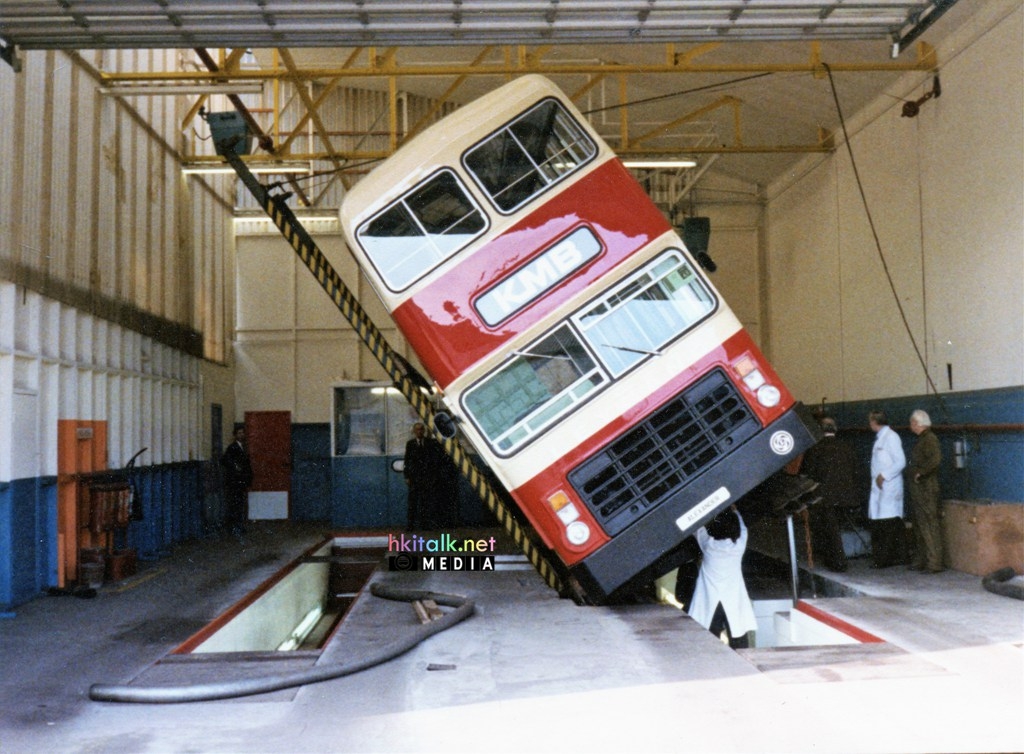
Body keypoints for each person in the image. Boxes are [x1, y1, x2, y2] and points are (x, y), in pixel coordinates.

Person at [688, 506, 757, 649]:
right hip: (732, 600)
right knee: (739, 637)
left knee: (711, 638)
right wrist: (735, 510)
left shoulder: (708, 545)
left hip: (712, 601)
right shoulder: (738, 547)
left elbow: (697, 528)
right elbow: (743, 529)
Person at [799, 417, 859, 572]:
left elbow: (806, 473)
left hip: (824, 497)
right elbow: (855, 470)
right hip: (847, 496)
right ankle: (836, 560)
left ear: (820, 430)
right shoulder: (847, 447)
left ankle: (838, 562)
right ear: (835, 429)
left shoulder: (815, 448)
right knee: (835, 528)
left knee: (829, 529)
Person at [867, 410, 906, 568]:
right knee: (884, 523)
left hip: (889, 486)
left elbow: (901, 462)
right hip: (881, 488)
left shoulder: (891, 437)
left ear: (874, 422)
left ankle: (885, 559)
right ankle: (888, 558)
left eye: (870, 421)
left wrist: (884, 475)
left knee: (888, 524)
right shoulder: (881, 438)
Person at [907, 409, 945, 573]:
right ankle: (923, 559)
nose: (910, 426)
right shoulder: (924, 439)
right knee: (920, 524)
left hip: (926, 488)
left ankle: (934, 562)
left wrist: (920, 473)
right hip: (921, 488)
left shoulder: (929, 439)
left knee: (929, 525)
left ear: (917, 423)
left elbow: (935, 460)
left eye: (912, 422)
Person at [403, 422, 445, 530]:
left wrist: (433, 476)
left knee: (425, 502)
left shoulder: (430, 443)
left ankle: (425, 525)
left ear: (424, 431)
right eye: (417, 429)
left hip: (426, 477)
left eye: (421, 429)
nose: (419, 431)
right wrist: (407, 476)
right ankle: (411, 525)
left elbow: (433, 460)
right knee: (413, 502)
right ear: (414, 431)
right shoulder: (410, 444)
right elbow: (407, 461)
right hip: (414, 477)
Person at [220, 426, 253, 539]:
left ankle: (237, 525)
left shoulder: (242, 447)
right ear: (235, 435)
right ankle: (234, 526)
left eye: (242, 432)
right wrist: (235, 467)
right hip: (235, 481)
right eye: (239, 433)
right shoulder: (233, 447)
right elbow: (225, 460)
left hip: (240, 481)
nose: (241, 435)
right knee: (235, 504)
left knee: (238, 504)